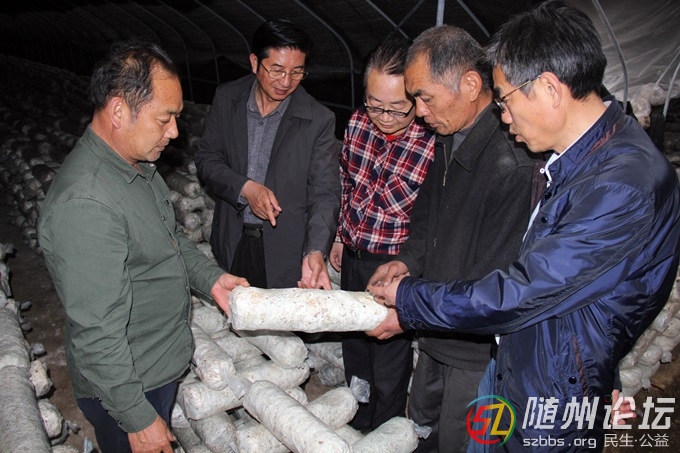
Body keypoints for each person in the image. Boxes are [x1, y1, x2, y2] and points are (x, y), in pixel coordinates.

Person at [367, 1, 680, 451]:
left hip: (554, 384)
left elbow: (526, 289)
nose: (503, 115)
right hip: (525, 358)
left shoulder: (620, 185)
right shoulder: (581, 159)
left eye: (506, 99)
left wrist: (410, 300)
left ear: (549, 88)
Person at [38, 40, 249, 453]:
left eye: (176, 117)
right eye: (165, 118)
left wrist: (211, 279)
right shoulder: (87, 204)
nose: (174, 132)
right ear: (119, 111)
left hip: (156, 365)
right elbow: (97, 332)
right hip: (128, 386)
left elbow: (169, 241)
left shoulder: (137, 168)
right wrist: (136, 416)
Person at [365, 25, 543, 452]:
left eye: (425, 97)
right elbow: (427, 215)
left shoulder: (513, 162)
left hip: (474, 351)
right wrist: (407, 261)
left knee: (460, 440)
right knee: (421, 428)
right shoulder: (449, 136)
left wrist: (409, 313)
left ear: (470, 84)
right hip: (435, 331)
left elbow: (493, 281)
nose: (418, 111)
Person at [329, 37, 435, 431]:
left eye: (397, 108)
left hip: (394, 265)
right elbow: (347, 182)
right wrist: (339, 236)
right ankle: (356, 420)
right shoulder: (358, 123)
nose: (385, 117)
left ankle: (385, 431)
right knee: (355, 346)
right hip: (354, 254)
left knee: (388, 358)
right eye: (375, 104)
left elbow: (431, 221)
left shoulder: (431, 141)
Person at [194, 19, 340, 290]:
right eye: (277, 70)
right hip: (234, 240)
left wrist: (315, 249)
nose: (286, 82)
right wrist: (245, 188)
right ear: (254, 62)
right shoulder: (227, 99)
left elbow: (325, 193)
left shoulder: (318, 120)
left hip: (286, 251)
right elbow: (207, 159)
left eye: (297, 72)